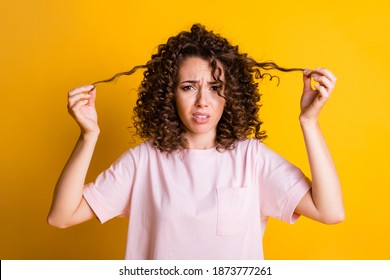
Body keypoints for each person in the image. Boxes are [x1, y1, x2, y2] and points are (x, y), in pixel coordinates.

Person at [47, 24, 344, 259]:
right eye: (189, 87)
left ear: (230, 94)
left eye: (215, 87)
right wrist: (89, 135)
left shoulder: (251, 158)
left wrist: (309, 122)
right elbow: (61, 217)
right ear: (169, 94)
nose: (203, 101)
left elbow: (330, 212)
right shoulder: (144, 161)